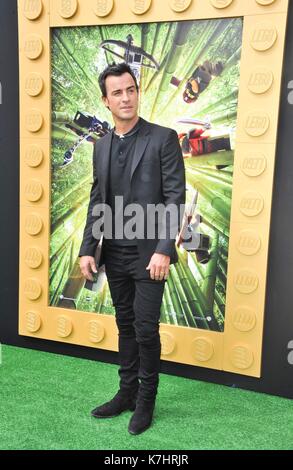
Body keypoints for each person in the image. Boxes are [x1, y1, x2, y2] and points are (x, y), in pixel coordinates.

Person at [79, 62, 185, 435]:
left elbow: (175, 198)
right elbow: (98, 200)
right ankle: (126, 392)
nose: (125, 98)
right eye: (117, 93)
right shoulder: (102, 146)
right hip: (116, 253)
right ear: (106, 101)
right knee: (124, 325)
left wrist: (163, 249)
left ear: (138, 92)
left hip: (150, 255)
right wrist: (88, 248)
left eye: (130, 90)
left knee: (144, 329)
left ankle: (146, 401)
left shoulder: (163, 138)